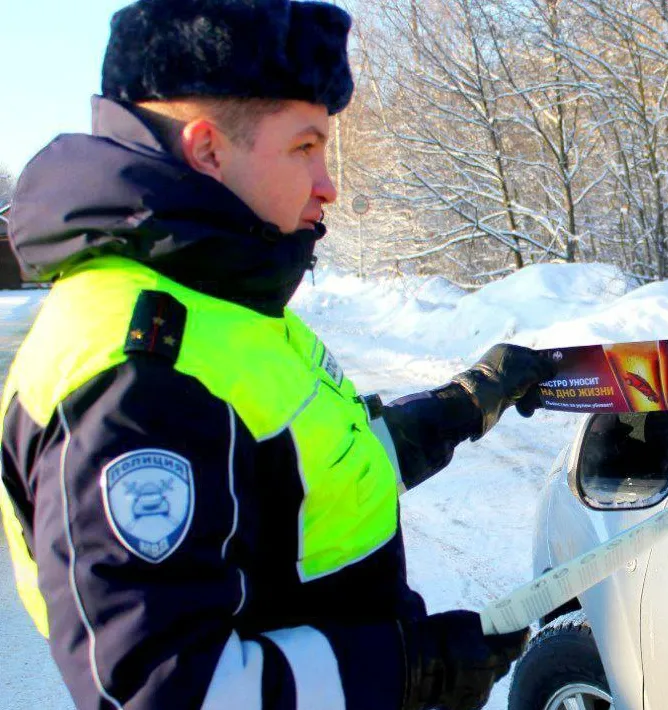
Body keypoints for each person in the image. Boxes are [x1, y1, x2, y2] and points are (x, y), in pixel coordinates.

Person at [0, 1, 557, 708]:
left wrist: (461, 407)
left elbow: (295, 479)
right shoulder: (138, 374)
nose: (328, 183)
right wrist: (413, 667)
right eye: (305, 146)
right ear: (207, 151)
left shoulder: (216, 302)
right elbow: (158, 688)